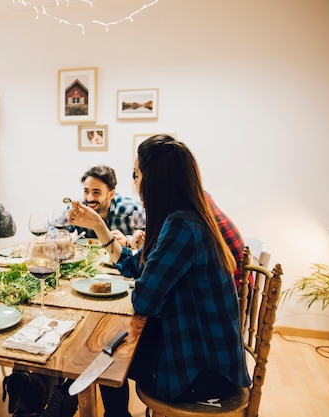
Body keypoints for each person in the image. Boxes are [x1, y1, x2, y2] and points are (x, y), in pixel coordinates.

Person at [66, 135, 251, 417]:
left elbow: (144, 301)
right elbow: (142, 270)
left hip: (202, 370)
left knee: (97, 349)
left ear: (155, 180)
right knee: (100, 348)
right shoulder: (185, 215)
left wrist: (142, 279)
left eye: (136, 174)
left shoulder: (181, 225)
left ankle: (76, 405)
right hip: (205, 353)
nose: (135, 182)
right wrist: (100, 228)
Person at [54, 165, 145, 248]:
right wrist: (64, 237)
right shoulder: (77, 209)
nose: (89, 198)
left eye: (96, 192)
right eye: (86, 191)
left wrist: (128, 241)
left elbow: (150, 240)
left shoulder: (133, 210)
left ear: (111, 194)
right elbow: (52, 230)